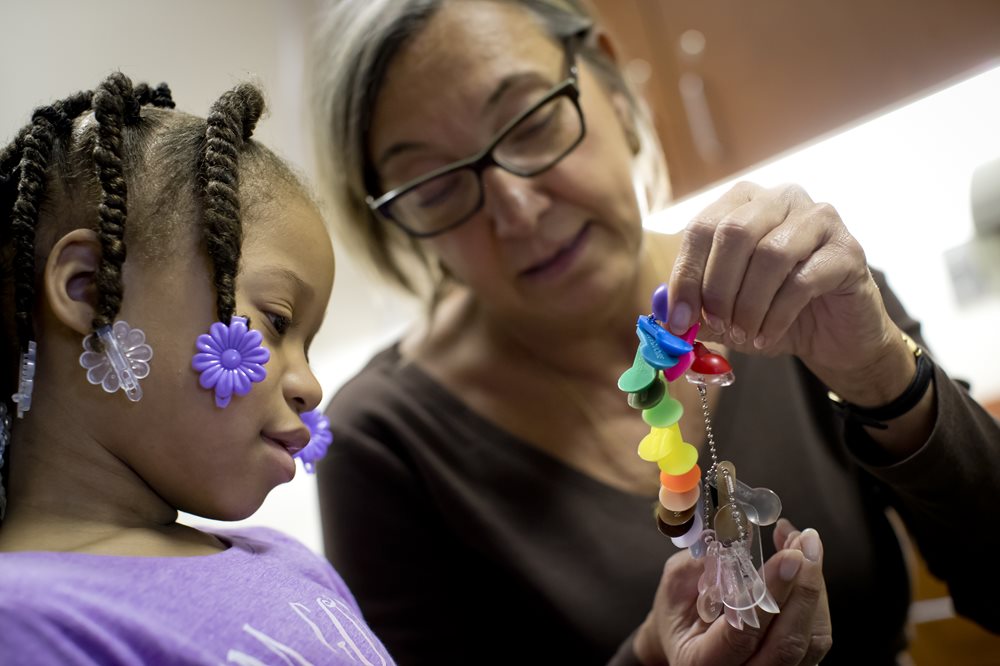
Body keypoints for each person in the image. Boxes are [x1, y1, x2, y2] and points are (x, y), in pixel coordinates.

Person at [308, 0, 1000, 664]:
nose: (515, 211)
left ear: (605, 81)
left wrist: (884, 378)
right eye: (432, 186)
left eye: (528, 121)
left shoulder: (796, 283)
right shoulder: (382, 442)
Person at [0, 73, 394, 665]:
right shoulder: (27, 620)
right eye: (278, 322)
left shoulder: (286, 560)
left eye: (308, 347)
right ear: (89, 290)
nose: (310, 386)